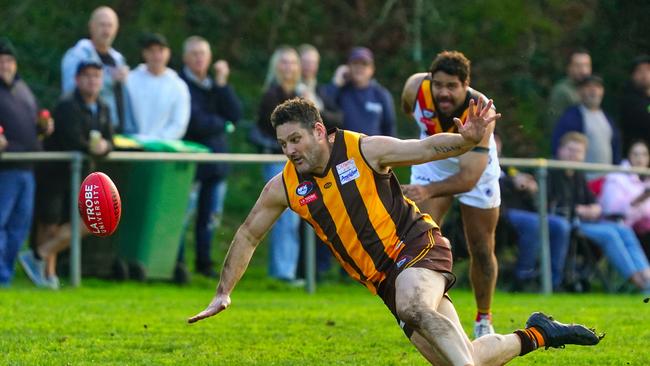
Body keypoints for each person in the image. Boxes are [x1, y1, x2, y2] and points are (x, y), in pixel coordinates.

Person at [188, 98, 602, 365]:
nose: (290, 150)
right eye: (282, 144)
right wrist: (224, 292)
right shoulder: (284, 187)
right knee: (462, 356)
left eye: (295, 139)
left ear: (319, 131)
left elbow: (422, 149)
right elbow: (247, 235)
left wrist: (467, 140)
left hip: (417, 246)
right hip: (384, 279)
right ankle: (538, 333)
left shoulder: (364, 149)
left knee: (415, 307)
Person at [400, 50, 501, 338]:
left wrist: (426, 189)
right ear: (430, 80)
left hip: (474, 167)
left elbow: (468, 178)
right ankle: (427, 313)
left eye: (452, 86)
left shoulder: (481, 111)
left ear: (466, 84)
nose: (443, 92)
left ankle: (483, 318)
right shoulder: (414, 88)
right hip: (434, 158)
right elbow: (410, 110)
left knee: (481, 247)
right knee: (422, 240)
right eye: (438, 84)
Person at [19, 60, 113, 289]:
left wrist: (106, 147)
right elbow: (72, 139)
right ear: (77, 79)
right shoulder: (66, 105)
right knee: (49, 224)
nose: (93, 81)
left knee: (91, 221)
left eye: (97, 77)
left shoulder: (103, 107)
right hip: (55, 174)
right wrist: (95, 147)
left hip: (84, 176)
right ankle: (47, 275)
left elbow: (111, 138)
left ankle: (38, 255)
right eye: (88, 76)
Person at [550, 132, 650, 293]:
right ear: (560, 150)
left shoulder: (578, 174)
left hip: (589, 221)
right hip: (569, 222)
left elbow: (595, 204)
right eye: (570, 150)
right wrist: (581, 210)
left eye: (578, 151)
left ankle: (647, 276)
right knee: (610, 234)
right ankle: (638, 282)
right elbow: (551, 205)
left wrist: (594, 209)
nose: (574, 155)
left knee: (624, 230)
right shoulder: (550, 172)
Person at [178, 36, 243, 278]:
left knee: (209, 219)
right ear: (185, 57)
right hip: (189, 164)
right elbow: (194, 123)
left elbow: (235, 113)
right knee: (184, 217)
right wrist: (223, 124)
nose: (198, 58)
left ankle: (204, 263)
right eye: (194, 53)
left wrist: (223, 83)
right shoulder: (180, 84)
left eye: (203, 53)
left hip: (216, 164)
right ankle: (178, 264)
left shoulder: (215, 86)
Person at [0, 38, 53, 287]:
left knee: (18, 228)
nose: (5, 65)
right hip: (5, 169)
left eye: (9, 60)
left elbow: (35, 121)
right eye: (1, 60)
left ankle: (5, 276)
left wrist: (43, 127)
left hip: (27, 167)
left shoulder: (23, 89)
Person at [495, 134, 570, 291]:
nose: (495, 144)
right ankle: (524, 277)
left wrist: (530, 187)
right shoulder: (476, 162)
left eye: (497, 141)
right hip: (499, 214)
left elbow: (521, 186)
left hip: (523, 212)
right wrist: (511, 182)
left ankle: (554, 281)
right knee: (534, 223)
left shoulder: (508, 166)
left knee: (560, 225)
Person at [253, 46, 303, 283]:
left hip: (299, 163)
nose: (288, 67)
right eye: (283, 62)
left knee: (293, 220)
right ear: (276, 66)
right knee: (283, 218)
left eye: (293, 62)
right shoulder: (270, 95)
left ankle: (289, 271)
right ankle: (282, 273)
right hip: (277, 161)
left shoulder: (303, 92)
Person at [61, 6, 129, 131]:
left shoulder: (118, 59)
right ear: (91, 26)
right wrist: (109, 80)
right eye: (102, 25)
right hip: (85, 129)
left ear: (116, 29)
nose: (106, 31)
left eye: (110, 26)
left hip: (117, 130)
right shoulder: (76, 55)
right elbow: (70, 90)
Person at [551, 75, 622, 173]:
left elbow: (616, 148)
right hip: (582, 179)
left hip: (606, 180)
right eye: (588, 87)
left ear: (602, 91)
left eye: (597, 87)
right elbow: (559, 147)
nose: (593, 91)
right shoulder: (572, 116)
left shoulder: (608, 118)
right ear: (579, 92)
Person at [125, 33, 190, 139]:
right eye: (151, 51)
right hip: (133, 147)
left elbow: (179, 124)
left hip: (164, 150)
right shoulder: (130, 80)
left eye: (161, 50)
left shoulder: (178, 86)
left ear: (168, 53)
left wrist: (158, 142)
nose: (156, 56)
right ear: (144, 53)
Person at [325, 47, 396, 136]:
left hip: (374, 148)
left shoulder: (381, 95)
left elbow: (389, 129)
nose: (359, 67)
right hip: (345, 148)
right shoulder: (341, 91)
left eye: (364, 64)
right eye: (355, 63)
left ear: (372, 69)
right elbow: (324, 108)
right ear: (348, 67)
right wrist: (337, 81)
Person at [600, 140, 650, 256]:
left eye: (644, 154)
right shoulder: (616, 177)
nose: (640, 158)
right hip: (622, 226)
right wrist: (638, 200)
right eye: (635, 154)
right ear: (629, 156)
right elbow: (610, 209)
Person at [547, 49, 592, 127]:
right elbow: (555, 125)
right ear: (569, 67)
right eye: (578, 66)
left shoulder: (593, 89)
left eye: (586, 65)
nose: (583, 71)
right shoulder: (561, 91)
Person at [619, 55, 650, 152]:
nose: (645, 75)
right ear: (633, 75)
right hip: (636, 157)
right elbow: (645, 114)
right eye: (640, 71)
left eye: (648, 70)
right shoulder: (629, 99)